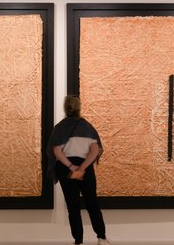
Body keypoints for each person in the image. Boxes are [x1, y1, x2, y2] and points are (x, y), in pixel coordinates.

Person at [48, 95, 110, 245]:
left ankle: (78, 241)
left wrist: (71, 167)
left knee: (73, 207)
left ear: (65, 108)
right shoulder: (87, 127)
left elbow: (56, 151)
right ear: (79, 108)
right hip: (85, 168)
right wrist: (82, 168)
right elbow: (95, 151)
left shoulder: (59, 128)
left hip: (66, 168)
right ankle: (101, 237)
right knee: (92, 203)